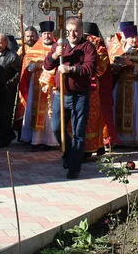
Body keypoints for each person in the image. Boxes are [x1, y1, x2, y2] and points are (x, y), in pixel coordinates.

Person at [44, 17, 98, 179]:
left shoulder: (88, 47)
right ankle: (68, 154)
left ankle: (74, 167)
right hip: (61, 94)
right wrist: (54, 56)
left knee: (78, 134)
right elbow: (47, 66)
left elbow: (90, 69)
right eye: (69, 31)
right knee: (56, 128)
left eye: (75, 30)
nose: (72, 34)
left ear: (81, 31)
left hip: (80, 95)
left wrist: (71, 69)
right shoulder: (60, 45)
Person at [16, 21, 59, 149]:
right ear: (42, 34)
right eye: (45, 33)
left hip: (52, 87)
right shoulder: (36, 48)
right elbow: (28, 66)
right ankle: (35, 139)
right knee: (35, 111)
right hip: (36, 86)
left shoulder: (58, 48)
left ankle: (50, 141)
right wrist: (38, 65)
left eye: (50, 34)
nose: (47, 36)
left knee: (49, 114)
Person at [82, 21, 119, 154]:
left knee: (94, 117)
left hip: (94, 86)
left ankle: (95, 145)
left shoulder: (97, 43)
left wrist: (85, 68)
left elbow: (101, 68)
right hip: (85, 84)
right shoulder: (96, 43)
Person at [0, 33, 22, 148]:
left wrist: (10, 83)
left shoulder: (12, 56)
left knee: (5, 115)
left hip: (8, 91)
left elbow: (19, 72)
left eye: (1, 42)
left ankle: (3, 140)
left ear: (6, 43)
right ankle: (9, 134)